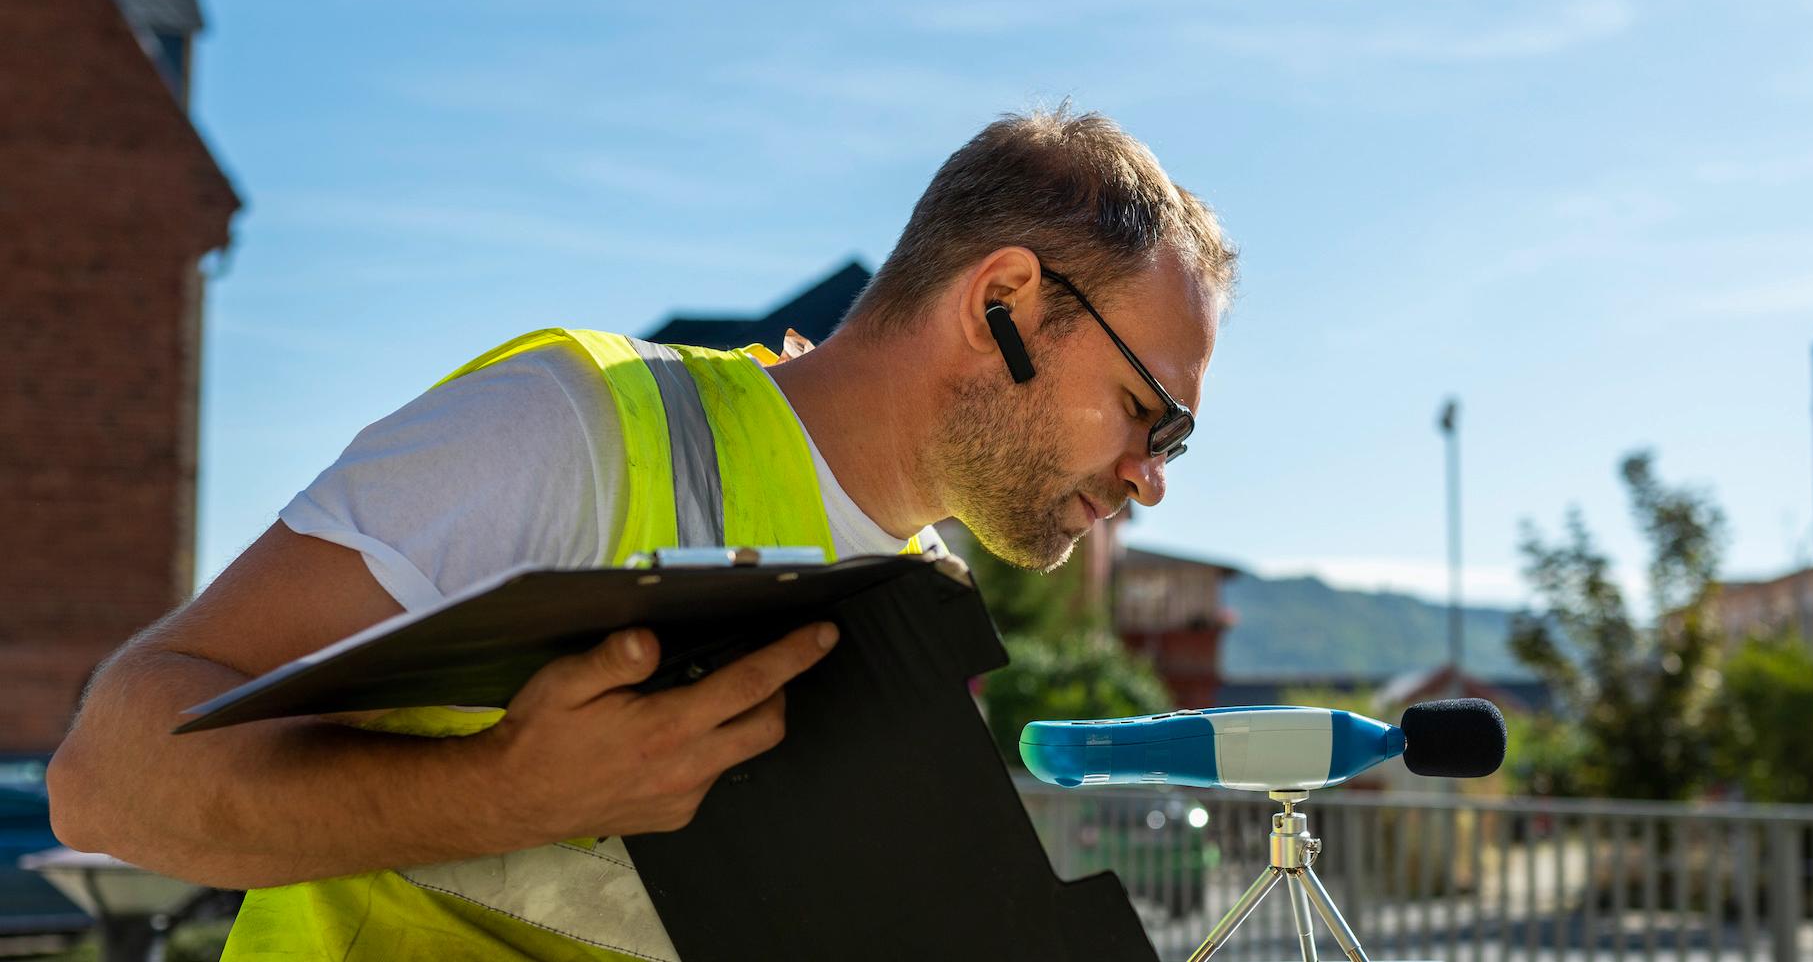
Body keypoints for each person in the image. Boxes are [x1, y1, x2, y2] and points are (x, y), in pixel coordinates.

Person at [46, 105, 1238, 960]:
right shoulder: (579, 430)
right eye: (1149, 415)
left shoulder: (915, 600)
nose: (1150, 480)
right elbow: (104, 783)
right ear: (1001, 304)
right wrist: (502, 792)